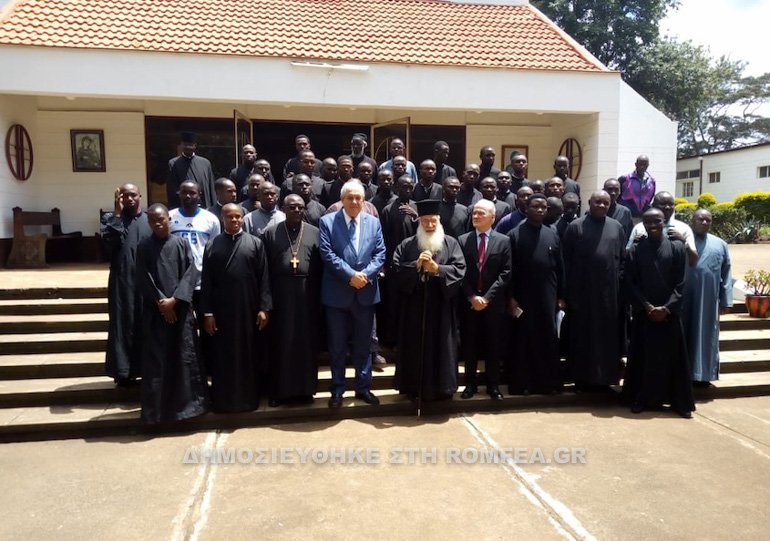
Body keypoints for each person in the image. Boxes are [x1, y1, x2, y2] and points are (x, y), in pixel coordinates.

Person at [136, 204, 209, 423]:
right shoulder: (144, 247)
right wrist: (162, 303)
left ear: (169, 219)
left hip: (181, 310)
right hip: (156, 313)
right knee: (158, 361)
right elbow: (143, 276)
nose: (158, 224)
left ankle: (188, 409)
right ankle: (157, 412)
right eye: (153, 221)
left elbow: (191, 272)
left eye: (161, 219)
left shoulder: (181, 244)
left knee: (184, 357)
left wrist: (174, 300)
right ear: (149, 223)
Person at [319, 180, 386, 408]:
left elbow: (380, 253)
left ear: (364, 200)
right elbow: (327, 254)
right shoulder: (327, 222)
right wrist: (350, 275)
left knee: (363, 345)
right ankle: (337, 389)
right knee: (337, 345)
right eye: (350, 198)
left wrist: (364, 275)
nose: (354, 202)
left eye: (358, 198)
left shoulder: (373, 222)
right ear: (342, 200)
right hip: (337, 293)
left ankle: (363, 387)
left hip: (365, 293)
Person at [392, 199, 466, 401]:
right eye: (425, 221)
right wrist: (415, 265)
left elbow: (460, 270)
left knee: (442, 348)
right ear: (419, 222)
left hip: (441, 306)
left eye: (433, 221)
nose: (430, 225)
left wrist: (438, 269)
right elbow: (396, 269)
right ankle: (413, 388)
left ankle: (443, 389)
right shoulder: (407, 244)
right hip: (415, 307)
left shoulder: (451, 243)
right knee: (415, 346)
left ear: (439, 221)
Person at [624, 208, 694, 418]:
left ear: (664, 222)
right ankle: (641, 398)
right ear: (642, 224)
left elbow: (681, 282)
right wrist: (647, 306)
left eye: (657, 221)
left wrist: (667, 308)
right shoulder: (635, 250)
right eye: (648, 222)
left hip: (669, 315)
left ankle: (678, 402)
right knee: (643, 358)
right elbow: (631, 283)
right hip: (644, 314)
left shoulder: (676, 247)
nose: (653, 225)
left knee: (673, 359)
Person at [201, 203, 271, 413]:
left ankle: (248, 400)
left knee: (249, 354)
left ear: (242, 218)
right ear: (222, 219)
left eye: (238, 217)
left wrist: (264, 308)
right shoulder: (212, 245)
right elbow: (207, 281)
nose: (234, 220)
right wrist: (208, 313)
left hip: (248, 310)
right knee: (223, 356)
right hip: (221, 313)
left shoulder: (255, 243)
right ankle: (223, 402)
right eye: (230, 217)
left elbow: (264, 278)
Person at [561, 191, 626, 390]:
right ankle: (582, 380)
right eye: (598, 202)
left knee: (606, 339)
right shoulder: (575, 226)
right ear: (589, 202)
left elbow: (622, 259)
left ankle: (605, 380)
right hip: (582, 295)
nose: (601, 205)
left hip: (608, 295)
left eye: (606, 203)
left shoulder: (617, 227)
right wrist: (567, 294)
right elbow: (565, 261)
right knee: (583, 338)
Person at [263, 195, 323, 406]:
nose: (297, 210)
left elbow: (322, 268)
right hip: (280, 296)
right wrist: (266, 302)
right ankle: (278, 392)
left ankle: (305, 391)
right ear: (283, 209)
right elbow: (264, 270)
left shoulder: (315, 232)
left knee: (306, 344)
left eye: (300, 207)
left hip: (308, 295)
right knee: (281, 343)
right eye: (292, 207)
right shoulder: (270, 233)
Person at [506, 193, 565, 395]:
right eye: (535, 206)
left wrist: (561, 296)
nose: (540, 210)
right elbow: (508, 270)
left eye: (543, 207)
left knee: (547, 337)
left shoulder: (552, 234)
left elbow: (560, 268)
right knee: (524, 339)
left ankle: (548, 384)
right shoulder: (514, 234)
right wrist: (510, 297)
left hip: (548, 295)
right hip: (522, 296)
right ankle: (523, 384)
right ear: (526, 208)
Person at [458, 200, 511, 400]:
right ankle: (470, 385)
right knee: (470, 345)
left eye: (481, 213)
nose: (476, 216)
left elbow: (506, 274)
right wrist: (472, 297)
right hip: (469, 303)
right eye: (474, 213)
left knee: (493, 345)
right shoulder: (463, 240)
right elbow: (460, 272)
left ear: (492, 217)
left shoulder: (503, 241)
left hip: (493, 304)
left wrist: (487, 298)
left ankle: (493, 385)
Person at [100, 183, 152, 387]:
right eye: (124, 196)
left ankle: (146, 370)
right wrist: (117, 213)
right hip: (122, 281)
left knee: (145, 325)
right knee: (122, 324)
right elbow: (109, 243)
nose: (129, 199)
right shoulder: (110, 219)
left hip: (146, 282)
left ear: (140, 196)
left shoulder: (149, 220)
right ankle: (123, 372)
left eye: (133, 195)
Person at [682, 209, 733, 385]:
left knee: (705, 336)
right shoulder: (682, 241)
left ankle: (703, 375)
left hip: (708, 299)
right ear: (692, 221)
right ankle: (681, 376)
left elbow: (726, 273)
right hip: (683, 298)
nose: (704, 223)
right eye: (700, 219)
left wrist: (726, 300)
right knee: (683, 335)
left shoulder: (720, 244)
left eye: (708, 220)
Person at [168, 181, 221, 299]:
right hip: (177, 280)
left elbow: (214, 250)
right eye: (184, 193)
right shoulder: (169, 217)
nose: (188, 196)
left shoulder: (211, 219)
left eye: (192, 193)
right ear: (179, 194)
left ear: (199, 195)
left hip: (202, 281)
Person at [626, 192, 698, 266]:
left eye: (671, 204)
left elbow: (693, 261)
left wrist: (683, 242)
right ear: (653, 206)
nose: (667, 207)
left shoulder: (683, 228)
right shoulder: (639, 228)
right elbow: (628, 257)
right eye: (663, 204)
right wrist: (635, 244)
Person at [167, 132, 216, 209]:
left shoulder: (205, 163)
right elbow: (172, 189)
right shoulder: (173, 163)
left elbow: (211, 187)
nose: (188, 147)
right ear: (181, 145)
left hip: (204, 206)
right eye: (185, 144)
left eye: (190, 145)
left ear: (195, 146)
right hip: (184, 207)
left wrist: (213, 207)